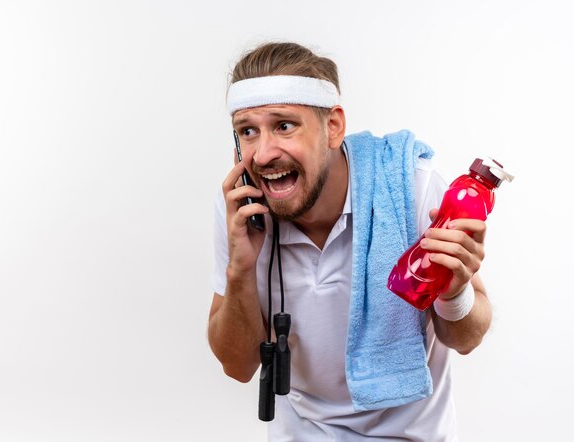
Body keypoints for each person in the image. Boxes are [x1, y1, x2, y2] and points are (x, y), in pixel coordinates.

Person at [207, 42, 492, 441]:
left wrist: (455, 287)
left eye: (284, 125)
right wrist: (240, 270)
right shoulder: (243, 211)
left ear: (334, 127)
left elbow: (466, 339)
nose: (264, 153)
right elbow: (237, 366)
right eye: (248, 131)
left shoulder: (413, 186)